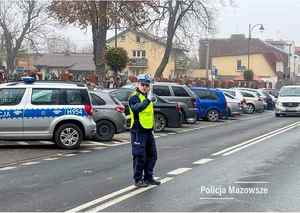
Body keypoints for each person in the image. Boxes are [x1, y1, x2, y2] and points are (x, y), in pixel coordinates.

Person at [128, 74, 161, 188]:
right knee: (139, 156)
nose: (145, 87)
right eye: (142, 84)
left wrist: (152, 129)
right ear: (138, 84)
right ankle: (138, 180)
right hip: (138, 131)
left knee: (153, 155)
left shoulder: (149, 97)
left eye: (147, 85)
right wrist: (147, 100)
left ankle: (148, 177)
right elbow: (137, 108)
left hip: (148, 131)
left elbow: (149, 114)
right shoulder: (134, 97)